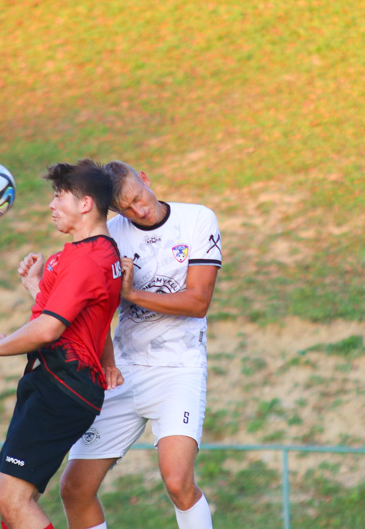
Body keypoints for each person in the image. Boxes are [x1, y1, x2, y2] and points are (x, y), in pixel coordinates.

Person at [58, 160, 222, 529]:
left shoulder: (197, 219)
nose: (139, 210)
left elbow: (198, 302)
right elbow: (94, 308)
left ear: (145, 179)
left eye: (138, 197)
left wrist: (132, 292)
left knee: (178, 482)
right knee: (74, 488)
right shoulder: (110, 235)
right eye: (126, 207)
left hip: (178, 369)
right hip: (124, 372)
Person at [0, 160, 122, 529]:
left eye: (59, 196)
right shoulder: (85, 254)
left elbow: (47, 330)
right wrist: (38, 286)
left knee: (11, 500)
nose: (51, 205)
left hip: (62, 388)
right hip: (55, 383)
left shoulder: (89, 259)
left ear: (86, 204)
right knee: (13, 506)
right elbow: (92, 317)